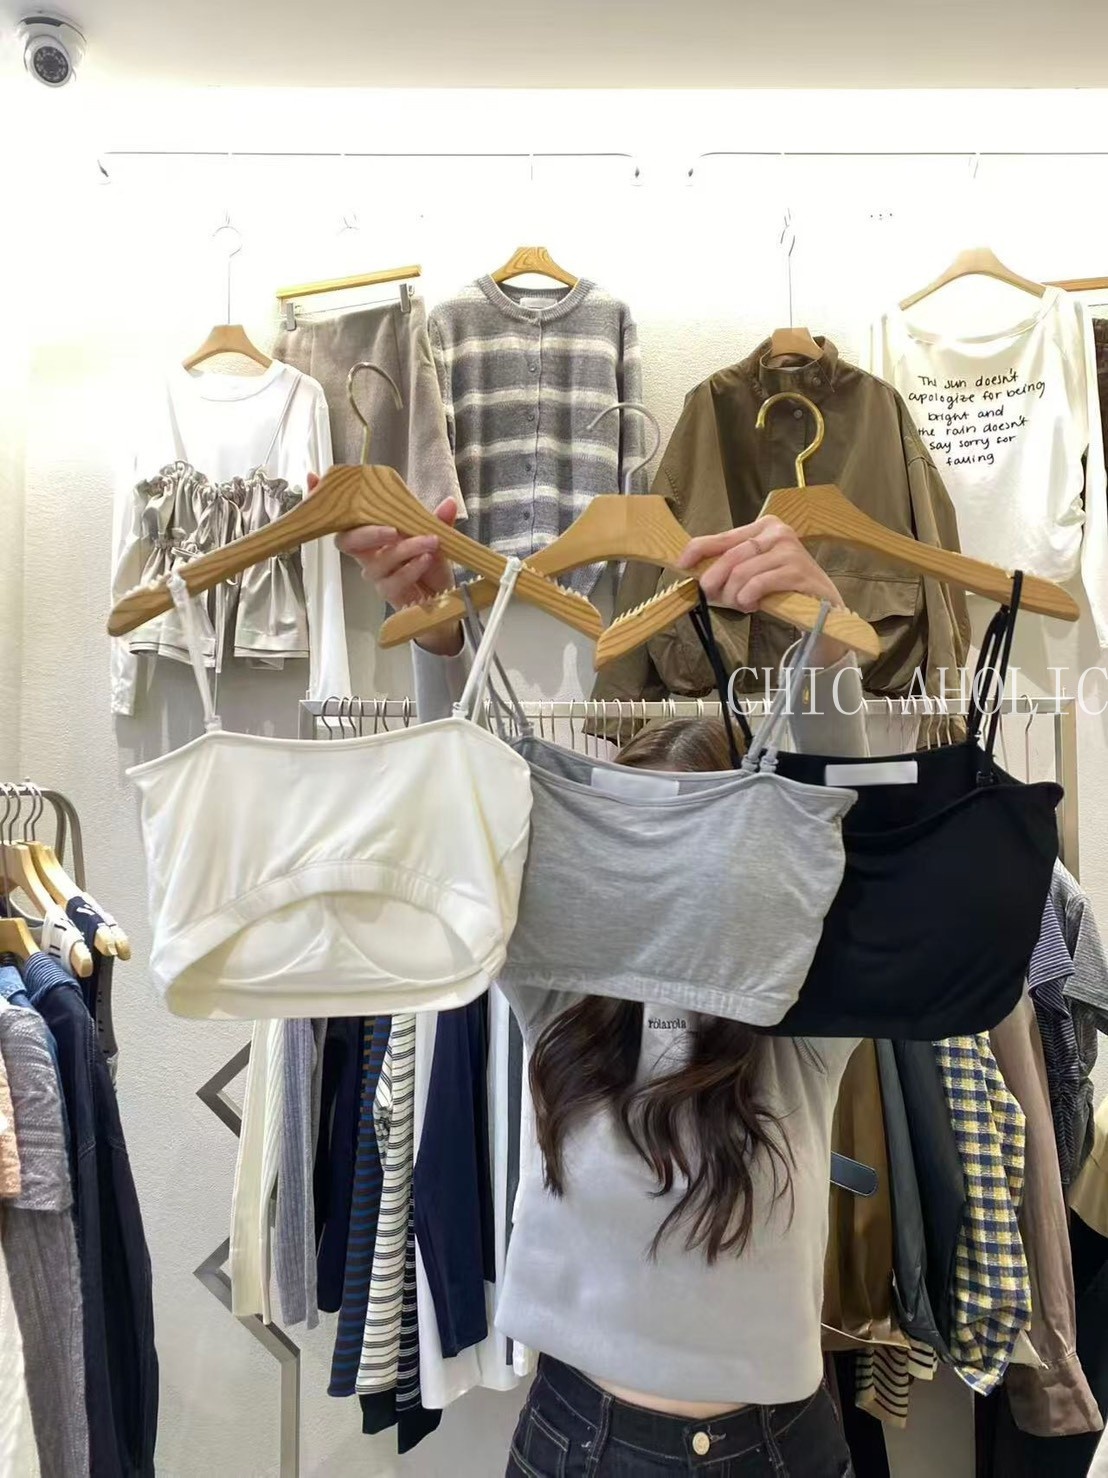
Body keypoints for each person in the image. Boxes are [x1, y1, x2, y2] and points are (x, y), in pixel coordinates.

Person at [336, 484, 865, 1478]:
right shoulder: (562, 998)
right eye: (633, 856)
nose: (661, 886)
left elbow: (839, 828)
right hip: (573, 1436)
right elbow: (467, 812)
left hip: (774, 1449)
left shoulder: (795, 1015)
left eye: (697, 855)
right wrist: (442, 637)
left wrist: (824, 639)